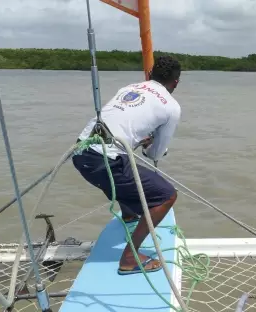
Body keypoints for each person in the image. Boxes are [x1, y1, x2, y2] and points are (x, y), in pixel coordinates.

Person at [72, 55, 181, 275]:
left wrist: (139, 140)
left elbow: (118, 125)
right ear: (176, 83)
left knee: (125, 168)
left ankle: (130, 213)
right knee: (167, 195)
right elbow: (155, 154)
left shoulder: (130, 87)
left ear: (149, 75)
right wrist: (148, 147)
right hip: (104, 163)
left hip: (80, 152)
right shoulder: (171, 107)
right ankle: (130, 257)